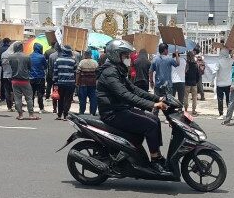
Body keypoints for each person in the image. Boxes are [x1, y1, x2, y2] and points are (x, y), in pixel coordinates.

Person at [96, 39, 169, 173]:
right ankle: (154, 160)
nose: (128, 58)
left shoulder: (118, 70)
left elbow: (134, 89)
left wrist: (158, 98)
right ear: (115, 55)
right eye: (125, 55)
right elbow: (125, 95)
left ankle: (156, 155)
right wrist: (152, 105)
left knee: (155, 120)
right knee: (150, 125)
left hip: (120, 109)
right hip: (113, 113)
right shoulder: (109, 73)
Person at [6, 41, 39, 121]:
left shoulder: (10, 57)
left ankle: (20, 115)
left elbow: (9, 68)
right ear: (22, 47)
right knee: (29, 98)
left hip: (14, 80)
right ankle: (31, 114)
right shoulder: (27, 57)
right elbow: (29, 68)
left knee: (17, 98)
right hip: (25, 80)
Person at [53, 45, 77, 120]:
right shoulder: (73, 60)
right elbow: (75, 72)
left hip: (60, 83)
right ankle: (65, 115)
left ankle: (59, 115)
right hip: (70, 83)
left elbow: (55, 72)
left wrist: (55, 82)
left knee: (60, 99)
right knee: (68, 99)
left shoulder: (58, 60)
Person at [213, 45, 233, 119]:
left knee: (220, 99)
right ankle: (229, 114)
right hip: (228, 83)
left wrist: (212, 81)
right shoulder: (231, 60)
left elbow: (214, 72)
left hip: (220, 84)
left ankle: (221, 114)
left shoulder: (219, 61)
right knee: (229, 99)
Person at [76, 48, 98, 115]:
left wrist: (77, 82)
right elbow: (97, 73)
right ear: (91, 54)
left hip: (83, 84)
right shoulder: (95, 62)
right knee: (93, 99)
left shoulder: (82, 62)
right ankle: (92, 112)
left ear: (85, 54)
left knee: (82, 99)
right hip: (93, 84)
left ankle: (82, 112)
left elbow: (78, 73)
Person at [30, 43, 47, 113]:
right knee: (40, 94)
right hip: (40, 77)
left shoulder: (30, 56)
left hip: (31, 77)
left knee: (31, 94)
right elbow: (45, 66)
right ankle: (41, 108)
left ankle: (31, 108)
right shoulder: (42, 57)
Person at [0, 38, 14, 111]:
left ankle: (4, 99)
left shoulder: (0, 50)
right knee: (13, 90)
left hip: (4, 71)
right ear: (9, 42)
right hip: (12, 73)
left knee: (5, 88)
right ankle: (13, 102)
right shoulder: (13, 52)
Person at [184, 50, 201, 115]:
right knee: (194, 98)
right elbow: (198, 75)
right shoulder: (196, 65)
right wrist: (196, 81)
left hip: (187, 83)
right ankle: (193, 110)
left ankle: (185, 109)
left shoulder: (186, 64)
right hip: (194, 83)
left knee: (186, 97)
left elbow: (185, 74)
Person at [46, 43, 60, 113]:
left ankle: (55, 108)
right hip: (62, 78)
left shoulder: (51, 56)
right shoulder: (65, 56)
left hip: (54, 78)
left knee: (55, 93)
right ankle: (61, 108)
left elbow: (50, 67)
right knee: (62, 94)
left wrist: (52, 77)